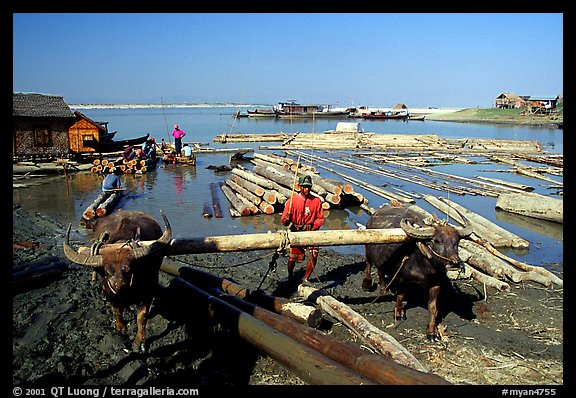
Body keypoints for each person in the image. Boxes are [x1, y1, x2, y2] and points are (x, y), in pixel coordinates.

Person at [280, 174, 324, 283]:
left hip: (311, 231)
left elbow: (320, 218)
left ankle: (306, 278)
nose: (307, 189)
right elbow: (284, 222)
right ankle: (290, 275)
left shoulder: (317, 201)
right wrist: (287, 218)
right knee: (292, 257)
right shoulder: (292, 202)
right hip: (296, 231)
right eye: (305, 187)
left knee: (314, 254)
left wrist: (314, 228)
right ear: (299, 187)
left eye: (309, 187)